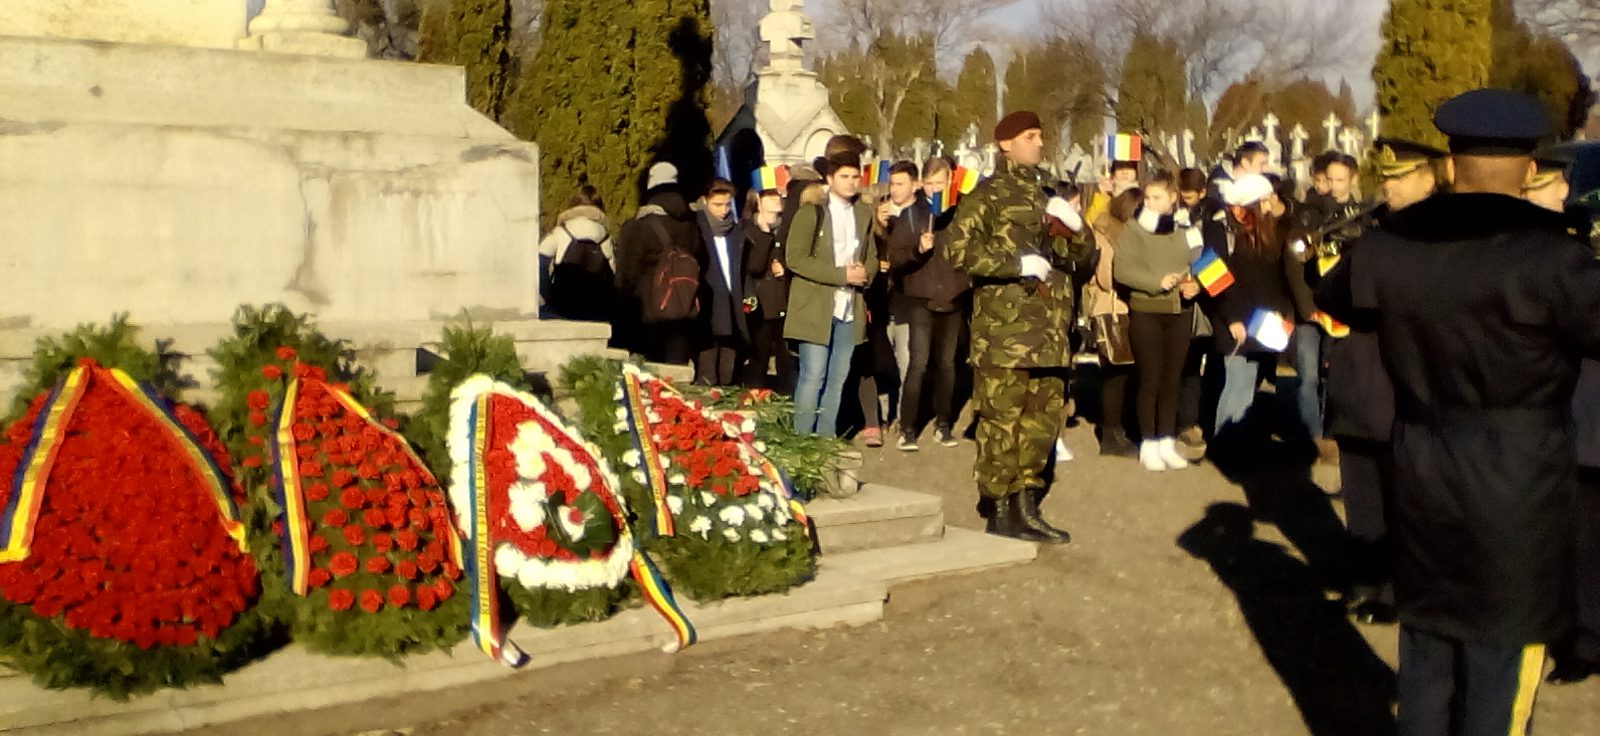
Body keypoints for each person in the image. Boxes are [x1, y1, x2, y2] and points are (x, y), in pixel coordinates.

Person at [1317, 88, 1600, 736]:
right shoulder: (1553, 258)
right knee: (1502, 661)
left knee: (1428, 649)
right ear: (1531, 172)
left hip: (1422, 462)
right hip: (1518, 478)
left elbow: (1335, 288)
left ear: (1448, 167)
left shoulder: (1391, 248)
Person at [947, 111, 1094, 543]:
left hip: (1050, 332)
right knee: (1000, 421)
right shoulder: (987, 196)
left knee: (1042, 423)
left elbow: (1083, 257)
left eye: (1040, 135)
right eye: (1030, 136)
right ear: (1005, 144)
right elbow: (956, 251)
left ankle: (1027, 504)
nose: (1039, 143)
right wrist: (1013, 265)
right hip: (1005, 335)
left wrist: (1073, 223)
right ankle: (1000, 507)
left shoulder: (1051, 192)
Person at [1322, 137, 1446, 627]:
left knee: (1407, 497)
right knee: (1363, 491)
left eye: (1399, 178)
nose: (1388, 187)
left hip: (1412, 383)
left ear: (1429, 179)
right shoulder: (1375, 232)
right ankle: (1369, 579)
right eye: (1386, 178)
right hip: (1363, 384)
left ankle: (1398, 586)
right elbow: (1331, 295)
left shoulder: (1438, 237)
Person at [1113, 171, 1199, 472]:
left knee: (1173, 379)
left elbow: (1202, 263)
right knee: (1150, 378)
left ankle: (1166, 440)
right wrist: (1155, 282)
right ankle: (1148, 442)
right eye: (1147, 197)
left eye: (1156, 197)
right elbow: (1122, 269)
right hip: (1147, 310)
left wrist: (1195, 285)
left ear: (1173, 198)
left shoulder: (1187, 227)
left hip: (1180, 312)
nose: (1149, 202)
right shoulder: (1135, 229)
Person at [785, 155, 876, 437]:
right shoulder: (812, 213)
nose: (850, 183)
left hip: (849, 307)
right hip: (816, 307)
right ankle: (801, 440)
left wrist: (865, 273)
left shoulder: (863, 214)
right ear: (830, 179)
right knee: (813, 376)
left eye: (854, 177)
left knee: (837, 379)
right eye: (844, 177)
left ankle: (826, 441)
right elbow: (795, 258)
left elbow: (871, 255)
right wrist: (841, 275)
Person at [1207, 173, 1296, 448]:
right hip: (1236, 320)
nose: (1271, 204)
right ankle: (1225, 445)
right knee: (1238, 384)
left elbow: (1274, 276)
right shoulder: (1221, 230)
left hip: (1266, 321)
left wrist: (1282, 313)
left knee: (1254, 385)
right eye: (1265, 200)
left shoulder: (1268, 229)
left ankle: (1246, 443)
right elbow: (1213, 277)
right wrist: (1232, 318)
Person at [888, 156, 970, 451]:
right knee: (918, 363)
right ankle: (908, 427)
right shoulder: (912, 214)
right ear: (922, 183)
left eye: (942, 183)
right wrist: (918, 249)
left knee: (947, 364)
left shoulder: (962, 211)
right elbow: (896, 258)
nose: (936, 189)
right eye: (931, 183)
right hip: (921, 297)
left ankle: (944, 423)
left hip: (954, 295)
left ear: (951, 181)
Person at [616, 162, 703, 364]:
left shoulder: (638, 227)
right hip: (683, 306)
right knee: (677, 374)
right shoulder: (690, 224)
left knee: (649, 379)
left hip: (647, 312)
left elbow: (628, 274)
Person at [1087, 188, 1144, 457]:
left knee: (1128, 372)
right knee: (1115, 373)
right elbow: (1107, 276)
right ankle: (1111, 432)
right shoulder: (1107, 234)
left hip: (1128, 308)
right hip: (1111, 307)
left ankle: (1123, 427)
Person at [693, 179, 750, 386]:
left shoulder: (735, 231)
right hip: (708, 303)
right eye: (718, 204)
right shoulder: (697, 228)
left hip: (732, 303)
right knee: (707, 373)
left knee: (728, 373)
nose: (724, 210)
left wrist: (748, 299)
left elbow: (742, 270)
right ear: (705, 201)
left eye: (728, 204)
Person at [741, 186, 797, 392]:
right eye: (771, 195)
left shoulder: (785, 229)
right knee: (759, 356)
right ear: (758, 199)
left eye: (779, 195)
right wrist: (765, 235)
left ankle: (786, 400)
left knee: (787, 359)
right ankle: (753, 398)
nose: (778, 199)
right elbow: (754, 266)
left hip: (784, 302)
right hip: (762, 304)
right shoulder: (750, 230)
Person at [538, 186, 614, 322]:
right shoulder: (605, 236)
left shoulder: (561, 231)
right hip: (595, 308)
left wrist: (546, 296)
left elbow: (540, 261)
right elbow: (613, 273)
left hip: (562, 306)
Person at [884, 161, 923, 397]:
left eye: (900, 184)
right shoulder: (880, 212)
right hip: (882, 298)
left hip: (907, 298)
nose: (895, 189)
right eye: (892, 184)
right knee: (882, 360)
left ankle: (902, 415)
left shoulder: (920, 216)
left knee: (906, 359)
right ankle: (882, 415)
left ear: (915, 185)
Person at [1207, 141, 1271, 205]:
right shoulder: (1218, 188)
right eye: (1262, 164)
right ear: (1245, 163)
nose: (1266, 169)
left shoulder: (1265, 180)